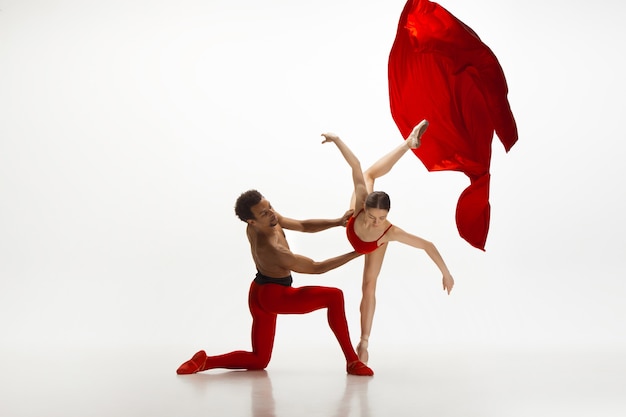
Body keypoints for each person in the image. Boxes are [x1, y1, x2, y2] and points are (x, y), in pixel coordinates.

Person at [176, 189, 374, 376]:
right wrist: (359, 251)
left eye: (270, 206)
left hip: (257, 292)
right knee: (334, 296)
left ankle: (204, 361)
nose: (272, 213)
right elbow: (316, 267)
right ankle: (352, 362)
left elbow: (303, 226)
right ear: (252, 222)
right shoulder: (273, 249)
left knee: (259, 361)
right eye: (264, 213)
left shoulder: (266, 220)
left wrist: (337, 222)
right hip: (275, 297)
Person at [321, 120, 455, 364]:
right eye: (372, 217)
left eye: (381, 218)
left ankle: (364, 342)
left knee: (368, 286)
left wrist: (446, 272)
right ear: (365, 208)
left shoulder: (388, 232)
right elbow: (355, 165)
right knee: (367, 175)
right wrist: (337, 139)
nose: (375, 222)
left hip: (374, 246)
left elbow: (428, 245)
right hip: (356, 223)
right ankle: (407, 144)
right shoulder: (361, 201)